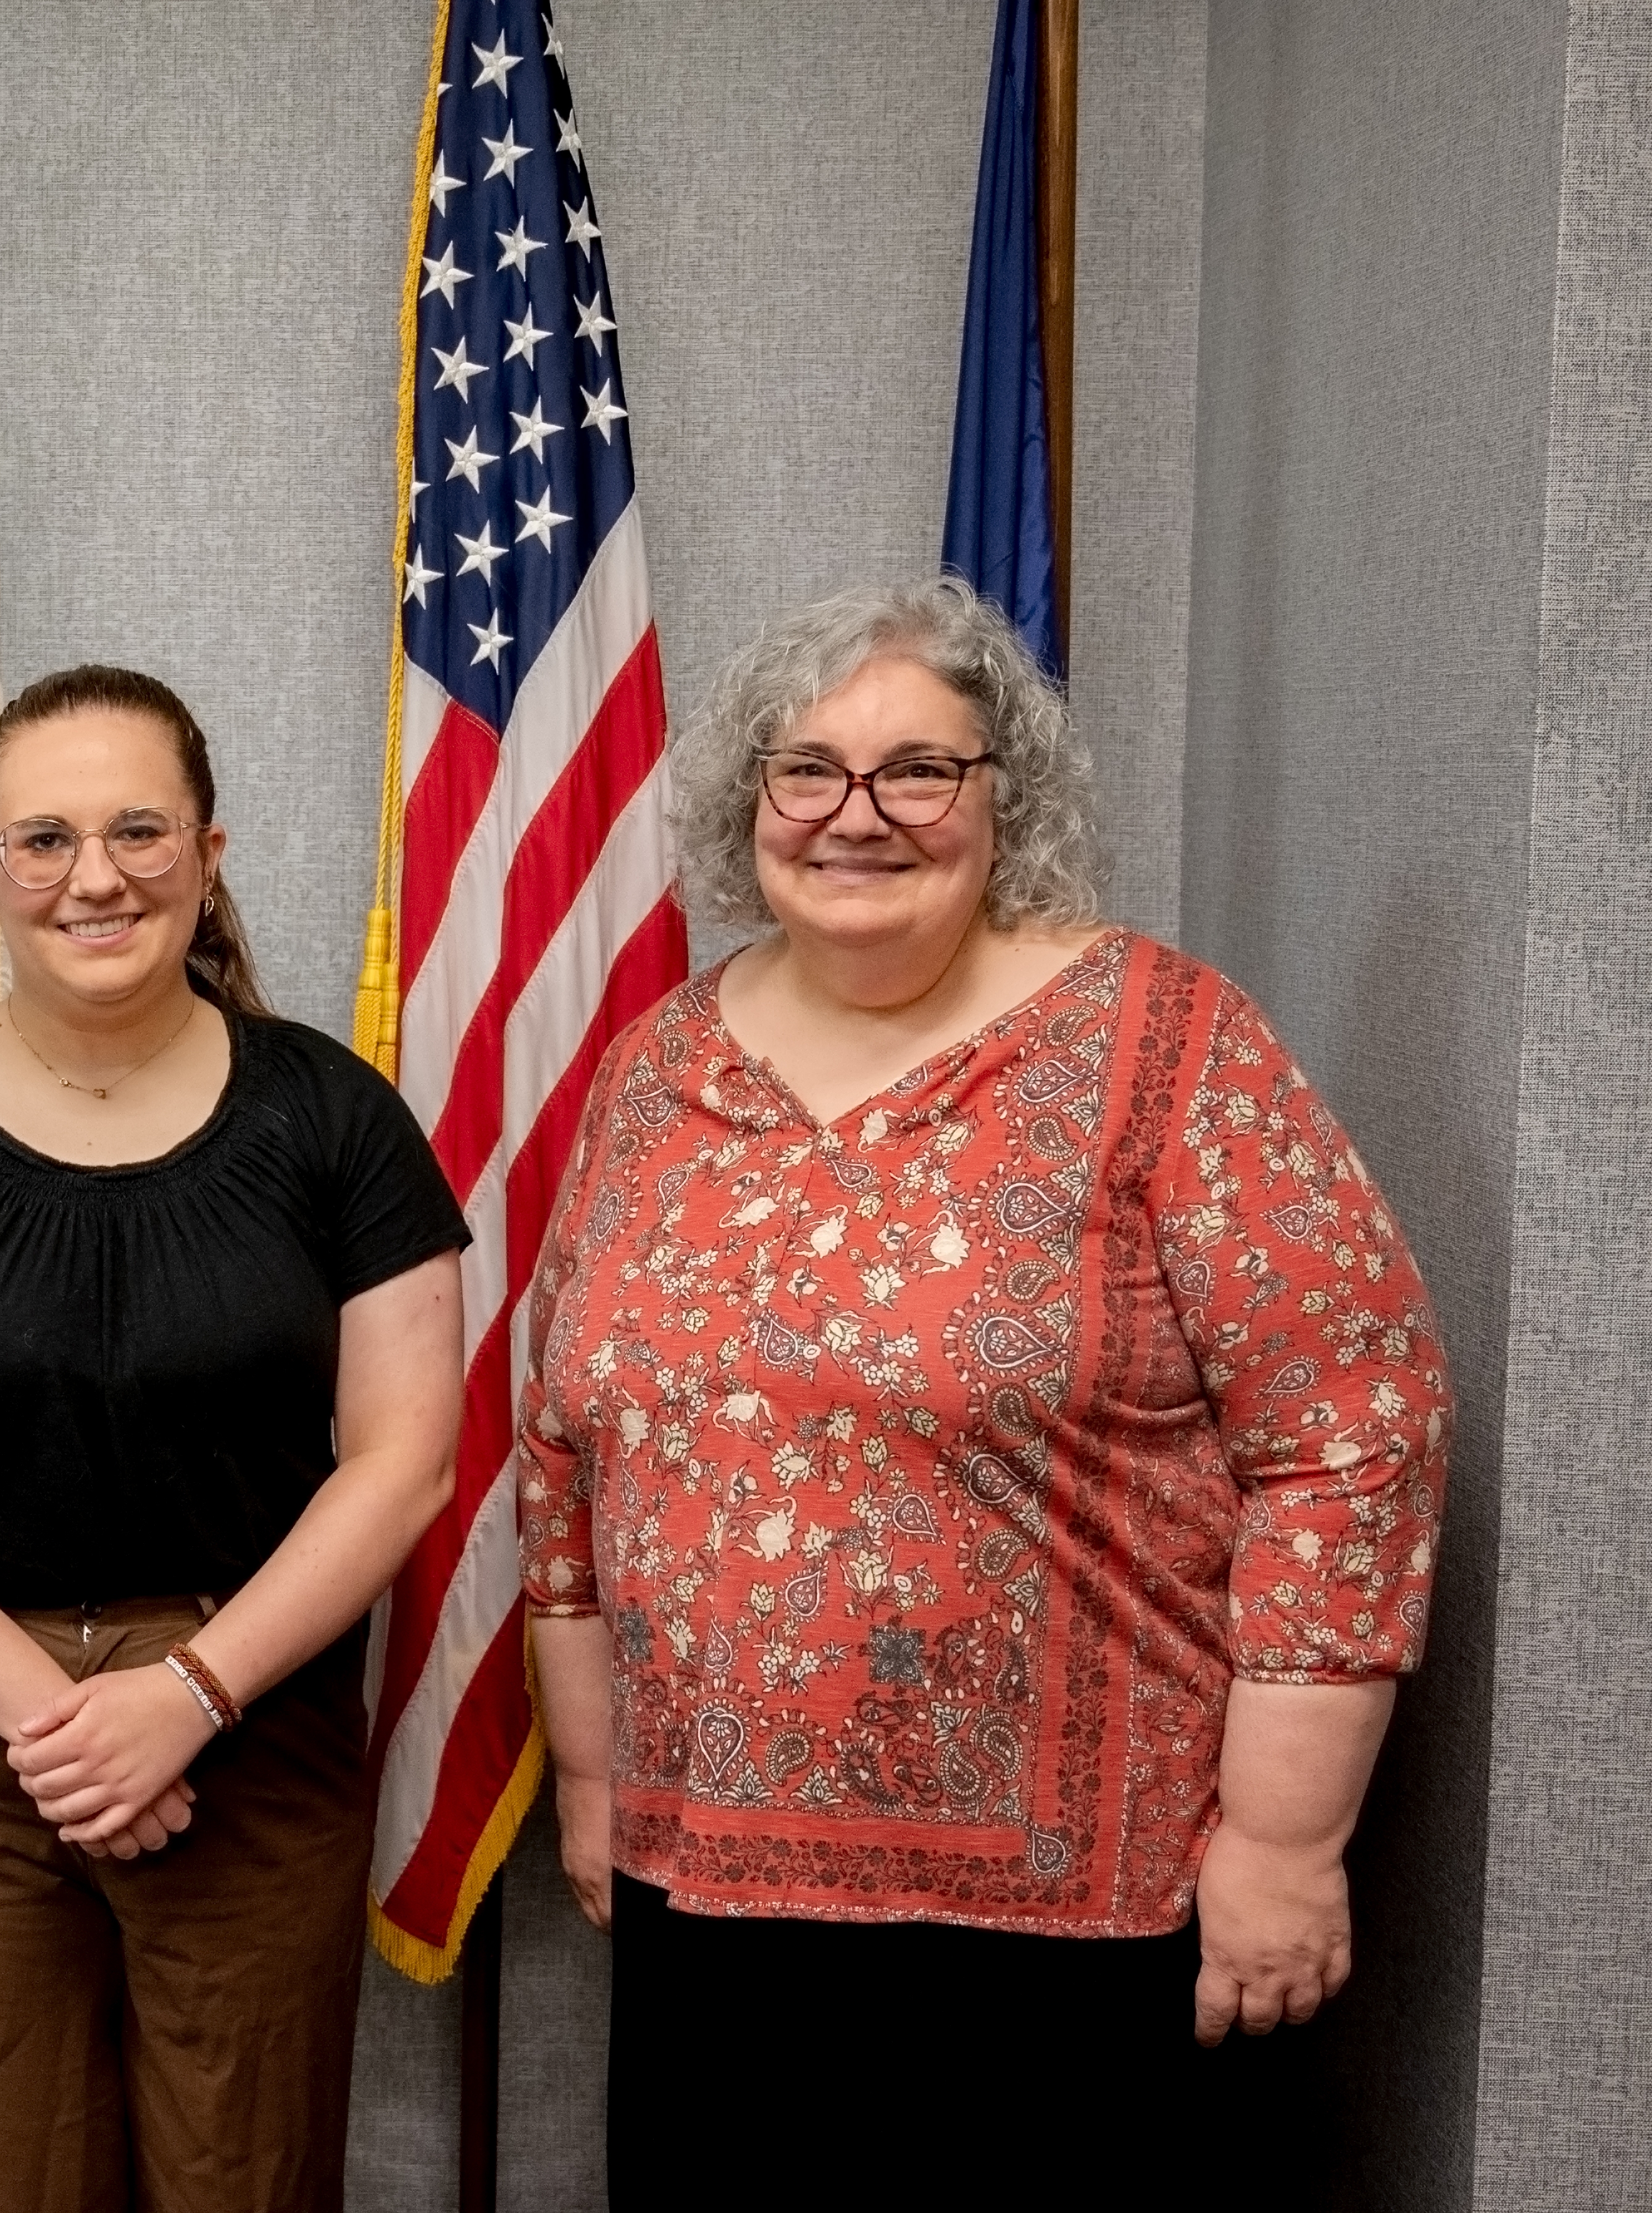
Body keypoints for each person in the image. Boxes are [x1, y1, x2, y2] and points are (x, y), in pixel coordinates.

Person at [515, 578, 1450, 2206]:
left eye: (917, 772)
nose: (853, 815)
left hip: (1078, 1935)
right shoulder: (655, 1067)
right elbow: (563, 1444)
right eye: (805, 770)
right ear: (751, 805)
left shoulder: (1164, 1041)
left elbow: (1349, 1428)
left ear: (999, 796)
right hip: (709, 1912)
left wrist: (1284, 1845)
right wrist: (596, 1787)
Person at [0, 665, 469, 2213]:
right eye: (44, 839)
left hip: (250, 1733)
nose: (96, 875)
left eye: (139, 830)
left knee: (247, 2185)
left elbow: (404, 1457)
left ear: (208, 854)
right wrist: (58, 1719)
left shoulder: (335, 1120)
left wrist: (183, 1698)